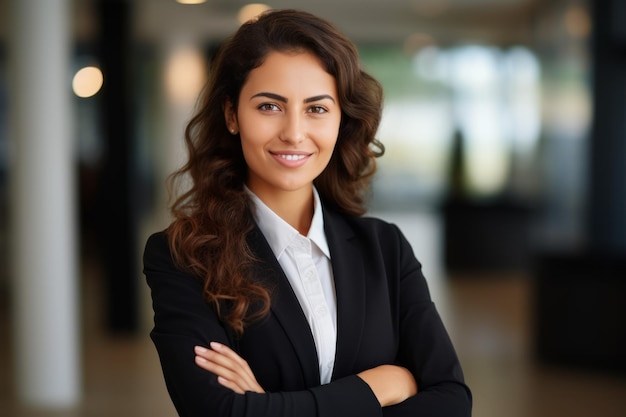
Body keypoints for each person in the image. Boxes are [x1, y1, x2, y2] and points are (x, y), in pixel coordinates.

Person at [143, 8, 472, 417]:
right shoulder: (185, 256)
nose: (294, 133)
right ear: (232, 115)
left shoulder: (386, 249)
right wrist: (377, 387)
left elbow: (452, 401)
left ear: (341, 119)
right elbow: (218, 412)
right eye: (269, 106)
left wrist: (268, 406)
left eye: (316, 108)